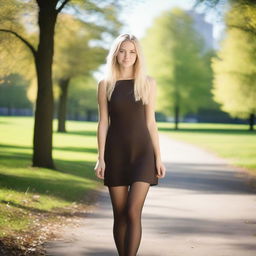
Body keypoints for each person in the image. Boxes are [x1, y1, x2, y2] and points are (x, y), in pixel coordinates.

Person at [94, 33, 166, 256]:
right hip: (115, 154)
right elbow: (103, 122)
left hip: (142, 154)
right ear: (115, 54)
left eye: (132, 51)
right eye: (122, 51)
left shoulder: (147, 83)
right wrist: (101, 157)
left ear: (138, 55)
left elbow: (150, 122)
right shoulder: (105, 84)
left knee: (133, 212)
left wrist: (158, 157)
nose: (127, 56)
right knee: (120, 213)